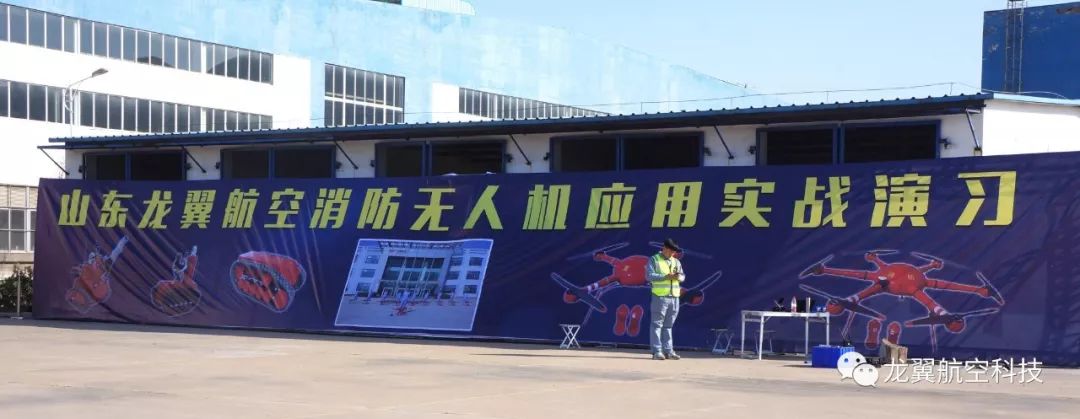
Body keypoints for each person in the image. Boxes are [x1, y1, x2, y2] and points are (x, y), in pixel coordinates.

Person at [646, 238, 685, 360]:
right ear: (665, 248)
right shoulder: (654, 259)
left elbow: (683, 276)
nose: (673, 253)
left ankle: (668, 351)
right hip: (660, 296)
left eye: (674, 252)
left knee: (668, 326)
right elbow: (649, 276)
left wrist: (679, 277)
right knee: (657, 325)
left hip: (674, 297)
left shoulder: (676, 262)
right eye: (671, 251)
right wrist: (666, 276)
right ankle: (657, 351)